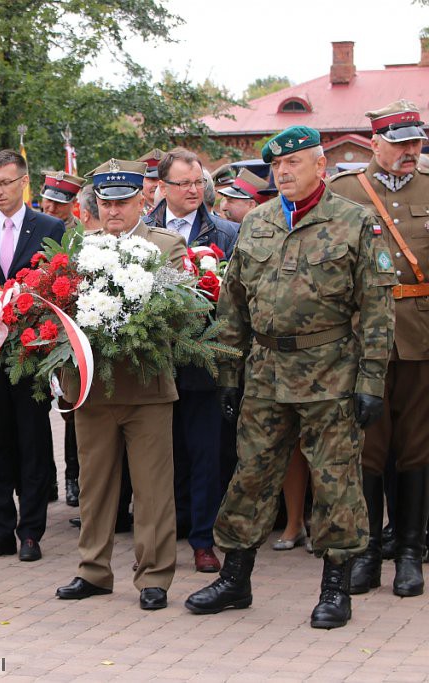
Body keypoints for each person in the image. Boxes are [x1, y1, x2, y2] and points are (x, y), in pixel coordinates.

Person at [185, 126, 397, 629]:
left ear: (320, 166)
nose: (283, 172)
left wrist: (370, 382)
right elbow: (232, 304)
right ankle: (235, 579)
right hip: (264, 373)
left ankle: (335, 589)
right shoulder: (256, 223)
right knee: (251, 475)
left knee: (335, 479)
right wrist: (229, 373)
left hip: (331, 373)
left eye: (294, 163)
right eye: (277, 166)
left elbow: (377, 310)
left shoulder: (354, 223)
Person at [55, 159, 187, 611]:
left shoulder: (165, 246)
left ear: (142, 201)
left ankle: (153, 576)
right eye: (105, 203)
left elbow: (177, 312)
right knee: (94, 485)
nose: (113, 212)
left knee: (152, 488)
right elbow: (59, 316)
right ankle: (93, 570)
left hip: (147, 387)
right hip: (91, 389)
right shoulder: (77, 248)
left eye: (123, 202)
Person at [329, 99, 429, 597]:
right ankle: (366, 553)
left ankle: (410, 553)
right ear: (375, 143)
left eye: (416, 141)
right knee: (367, 449)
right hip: (362, 339)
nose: (412, 151)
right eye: (401, 143)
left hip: (421, 337)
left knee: (416, 447)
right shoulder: (343, 193)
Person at [0, 149, 65, 563]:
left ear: (23, 182)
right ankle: (1, 528)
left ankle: (31, 531)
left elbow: (59, 282)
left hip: (32, 350)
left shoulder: (49, 225)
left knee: (33, 440)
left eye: (5, 183)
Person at [147, 147, 239, 573]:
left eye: (199, 182)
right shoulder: (142, 234)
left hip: (204, 361)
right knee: (165, 455)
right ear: (162, 187)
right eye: (183, 183)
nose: (194, 190)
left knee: (206, 454)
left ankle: (204, 539)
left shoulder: (224, 234)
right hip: (154, 361)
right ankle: (170, 530)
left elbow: (237, 299)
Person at [39, 169, 87, 505]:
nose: (52, 209)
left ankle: (73, 477)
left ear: (72, 204)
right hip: (37, 330)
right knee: (37, 410)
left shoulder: (80, 236)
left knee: (71, 409)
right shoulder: (36, 227)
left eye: (60, 203)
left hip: (67, 330)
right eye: (48, 201)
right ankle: (45, 482)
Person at [137, 149, 164, 214]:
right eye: (152, 179)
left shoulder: (180, 210)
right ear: (141, 181)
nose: (157, 184)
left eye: (162, 179)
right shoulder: (133, 212)